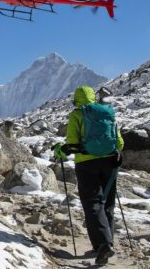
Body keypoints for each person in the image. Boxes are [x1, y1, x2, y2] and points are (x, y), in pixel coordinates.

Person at [55, 86, 124, 265]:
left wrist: (62, 150)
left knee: (93, 202)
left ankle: (103, 245)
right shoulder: (107, 112)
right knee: (107, 203)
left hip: (86, 164)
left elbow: (72, 142)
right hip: (110, 162)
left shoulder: (77, 115)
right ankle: (105, 243)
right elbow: (120, 142)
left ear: (76, 99)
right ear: (93, 97)